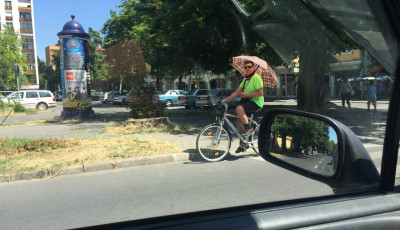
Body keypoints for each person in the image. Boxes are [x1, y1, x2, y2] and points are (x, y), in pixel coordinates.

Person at [220, 60, 264, 153]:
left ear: (253, 68)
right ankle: (244, 143)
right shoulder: (245, 79)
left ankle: (249, 128)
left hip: (257, 102)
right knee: (238, 123)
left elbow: (260, 93)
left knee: (239, 108)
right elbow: (236, 92)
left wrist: (246, 95)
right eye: (245, 67)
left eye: (249, 67)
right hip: (249, 102)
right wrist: (224, 100)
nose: (247, 69)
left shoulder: (257, 78)